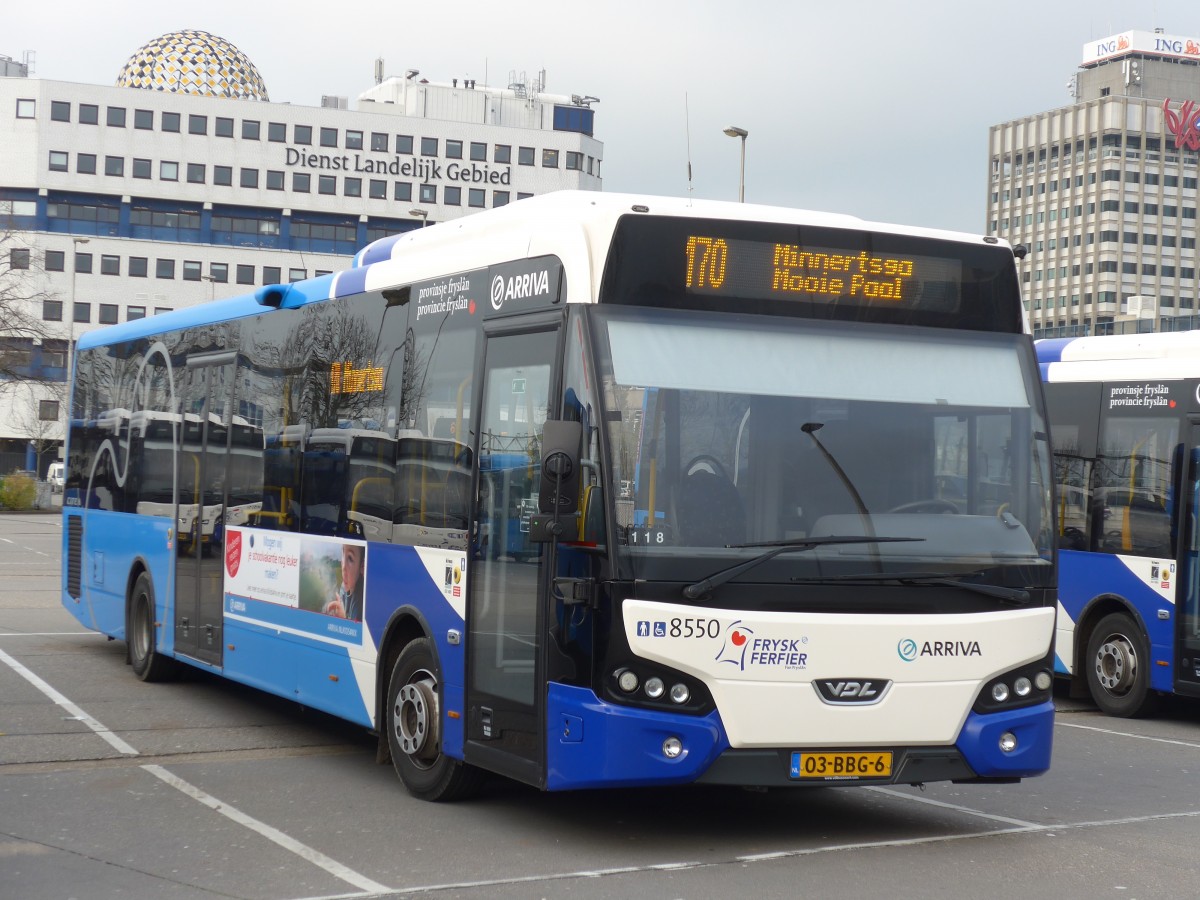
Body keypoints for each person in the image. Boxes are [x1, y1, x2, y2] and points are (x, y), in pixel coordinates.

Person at [323, 543, 364, 621]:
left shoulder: (360, 602)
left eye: (350, 558)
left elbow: (354, 631)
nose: (343, 566)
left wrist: (342, 619)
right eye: (343, 554)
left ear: (362, 567)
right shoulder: (343, 586)